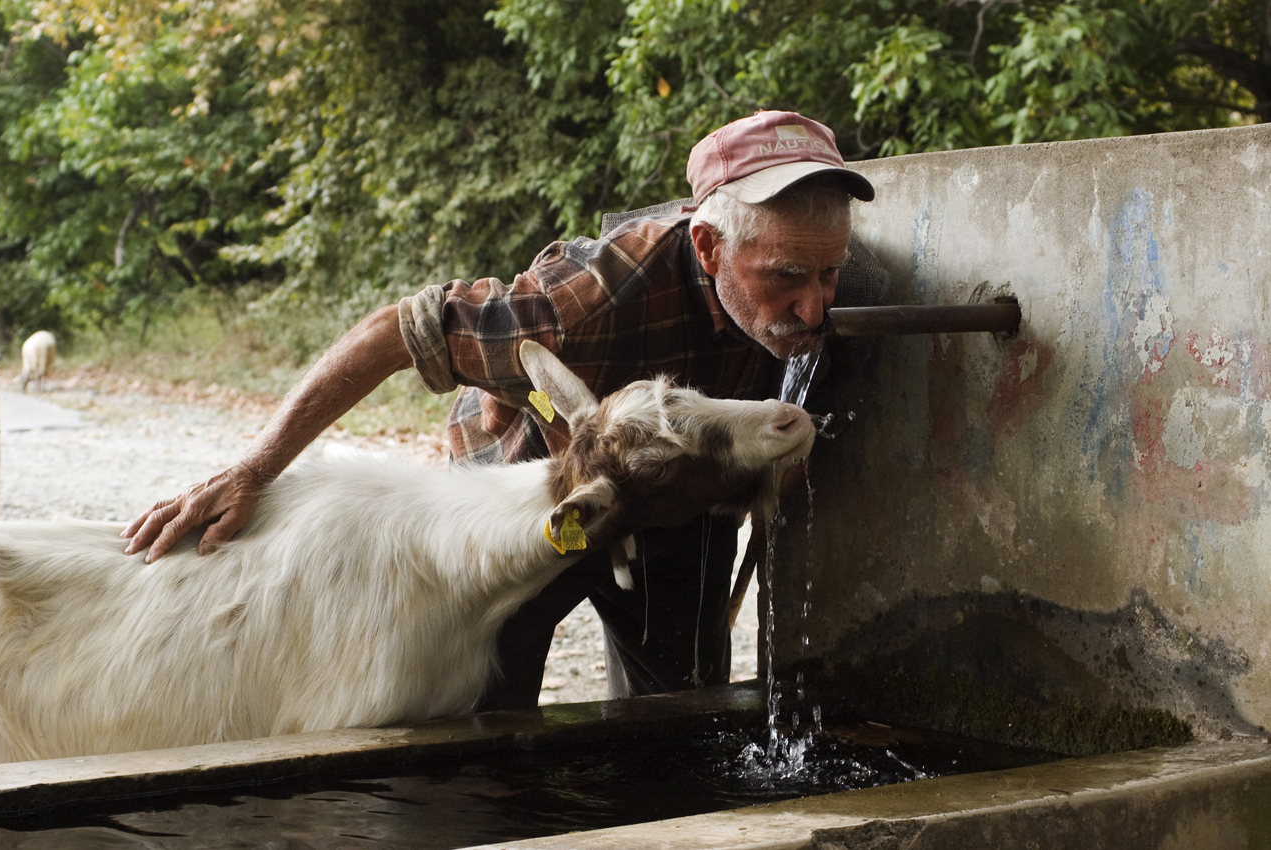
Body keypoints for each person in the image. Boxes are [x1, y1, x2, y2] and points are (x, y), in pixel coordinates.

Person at [121, 109, 881, 710]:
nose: (815, 307)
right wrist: (254, 469)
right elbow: (396, 331)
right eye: (787, 276)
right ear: (709, 247)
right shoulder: (584, 301)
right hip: (533, 489)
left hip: (669, 501)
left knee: (685, 702)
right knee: (491, 699)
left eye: (831, 271)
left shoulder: (808, 296)